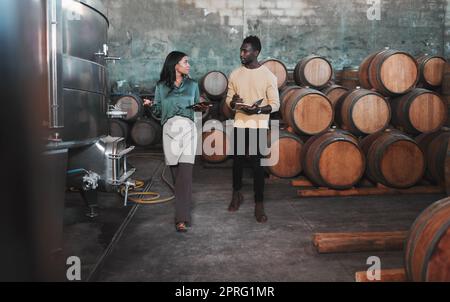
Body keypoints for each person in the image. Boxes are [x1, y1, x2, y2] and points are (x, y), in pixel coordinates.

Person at [143, 51, 209, 232]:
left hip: (188, 130)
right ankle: (182, 213)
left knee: (185, 177)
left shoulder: (193, 85)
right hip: (170, 132)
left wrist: (201, 108)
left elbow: (197, 110)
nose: (188, 65)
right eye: (185, 62)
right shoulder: (161, 87)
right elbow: (158, 112)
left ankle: (181, 218)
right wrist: (150, 106)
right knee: (176, 177)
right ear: (175, 65)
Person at [225, 36, 280, 223]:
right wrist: (234, 102)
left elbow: (275, 104)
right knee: (238, 162)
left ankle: (259, 203)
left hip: (258, 125)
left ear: (256, 52)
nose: (242, 54)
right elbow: (229, 101)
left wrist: (257, 109)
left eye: (245, 50)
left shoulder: (268, 76)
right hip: (240, 123)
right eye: (241, 50)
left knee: (258, 165)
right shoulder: (235, 74)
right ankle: (236, 194)